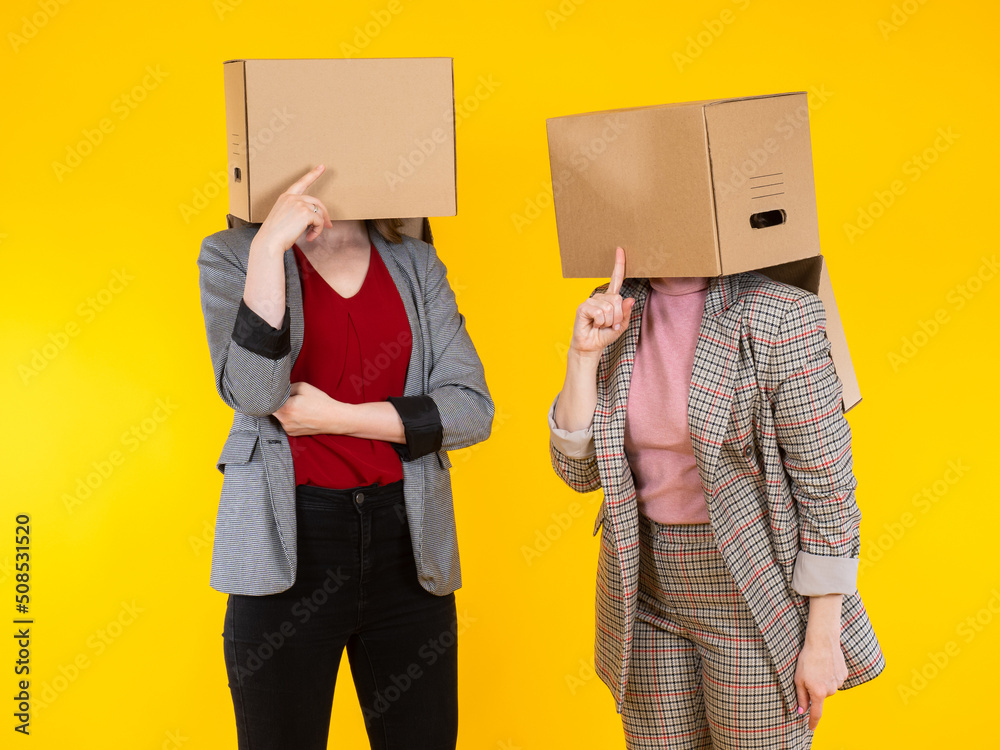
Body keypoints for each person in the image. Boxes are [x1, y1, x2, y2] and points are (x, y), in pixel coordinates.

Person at [197, 164, 493, 750]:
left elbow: (470, 411)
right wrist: (267, 250)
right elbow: (255, 394)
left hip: (408, 548)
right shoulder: (231, 254)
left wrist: (335, 417)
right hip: (286, 549)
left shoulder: (413, 262)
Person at [548, 247, 884, 749]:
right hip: (645, 588)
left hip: (752, 593)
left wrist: (822, 636)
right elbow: (579, 472)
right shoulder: (614, 309)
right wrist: (582, 357)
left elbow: (826, 488)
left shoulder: (780, 315)